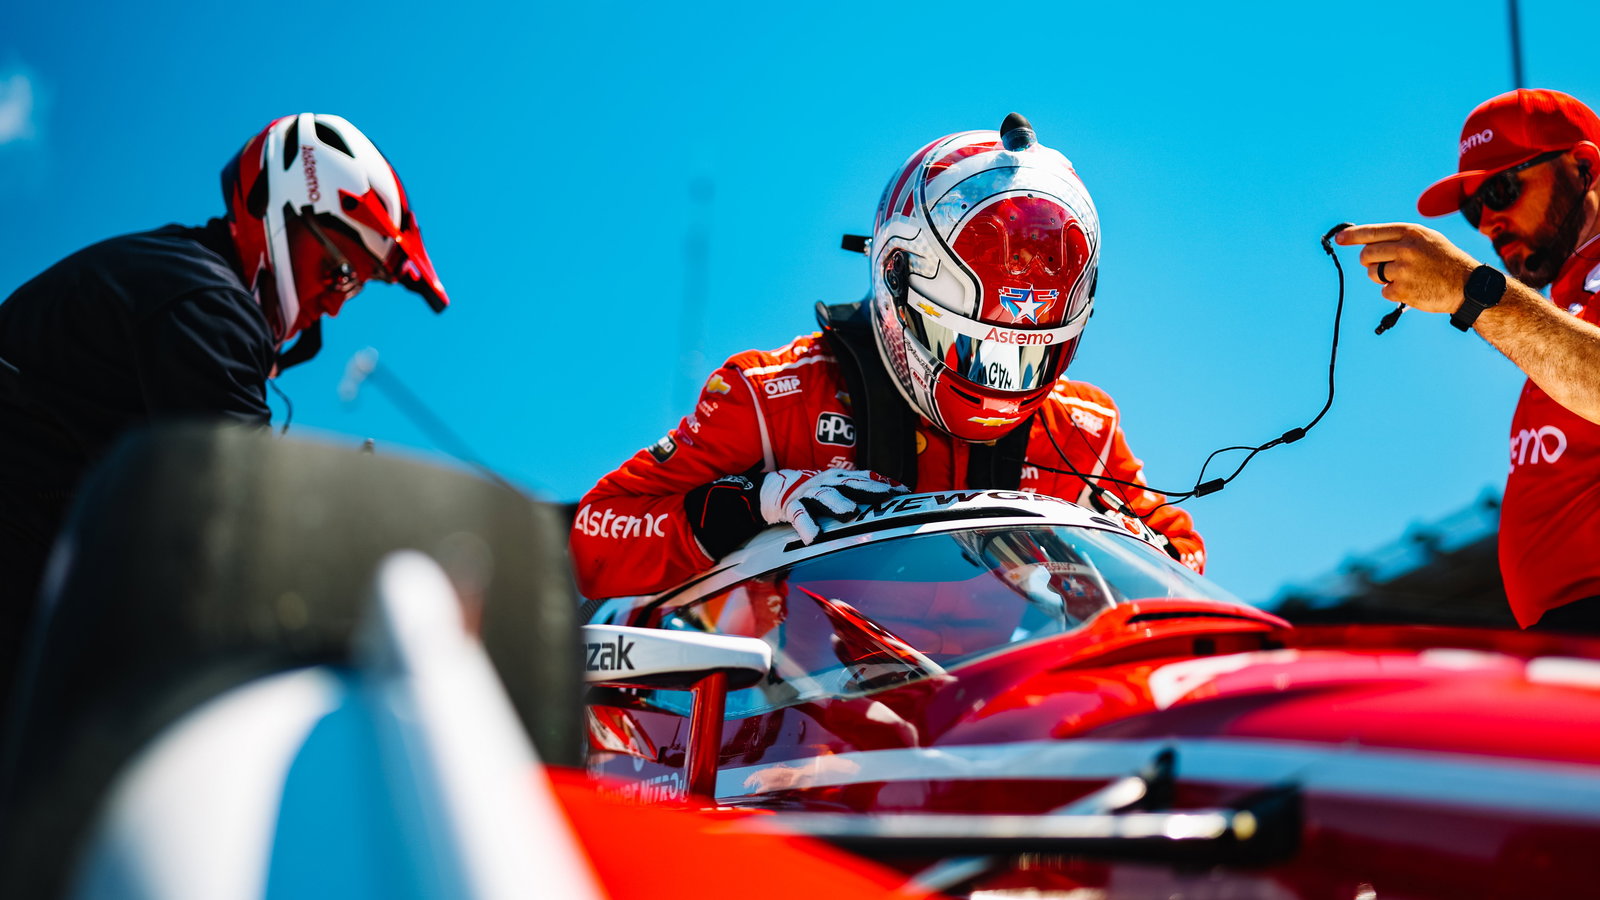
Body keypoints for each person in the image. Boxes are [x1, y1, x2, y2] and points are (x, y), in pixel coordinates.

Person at [572, 114, 1203, 600]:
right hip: (793, 734)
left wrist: (1127, 557)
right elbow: (596, 534)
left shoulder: (1081, 434)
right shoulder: (772, 399)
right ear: (898, 281)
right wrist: (755, 499)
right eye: (969, 349)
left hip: (989, 723)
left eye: (1025, 361)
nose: (997, 386)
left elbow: (1182, 558)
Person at [0, 113, 450, 682]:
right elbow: (261, 537)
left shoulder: (179, 272)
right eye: (338, 270)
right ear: (281, 214)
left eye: (355, 286)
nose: (336, 305)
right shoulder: (210, 305)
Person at [1336, 89, 1600, 631]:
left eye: (1501, 189)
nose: (1487, 224)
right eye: (1474, 208)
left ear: (1584, 167)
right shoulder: (1570, 305)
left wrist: (1470, 290)